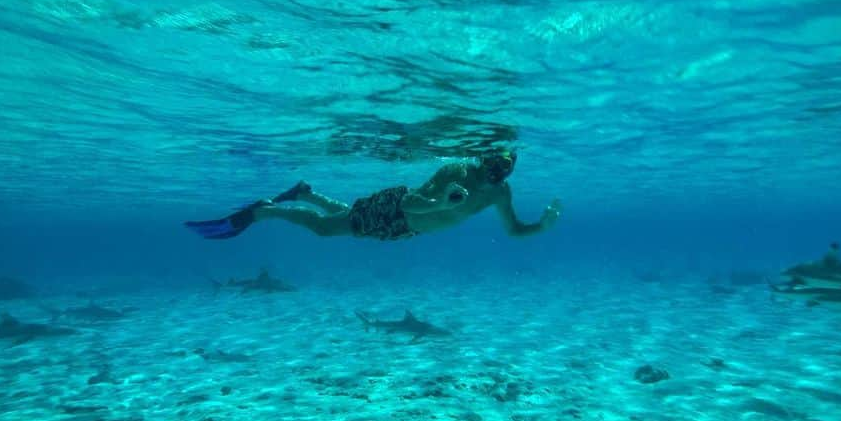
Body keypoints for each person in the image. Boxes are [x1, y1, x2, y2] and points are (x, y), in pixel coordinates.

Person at [185, 150, 560, 242]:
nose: (496, 174)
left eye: (505, 169)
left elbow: (513, 230)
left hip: (406, 230)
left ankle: (306, 193)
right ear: (483, 158)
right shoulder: (456, 172)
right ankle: (266, 211)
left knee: (349, 217)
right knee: (324, 230)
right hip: (398, 211)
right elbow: (411, 201)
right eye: (494, 165)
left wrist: (541, 226)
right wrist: (441, 203)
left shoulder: (500, 193)